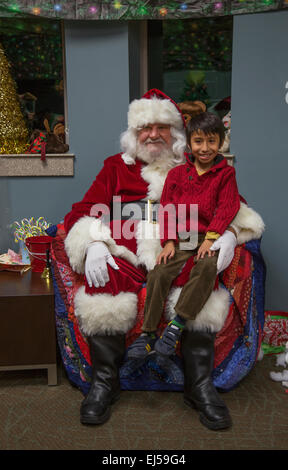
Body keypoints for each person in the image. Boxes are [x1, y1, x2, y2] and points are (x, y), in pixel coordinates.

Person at [63, 89, 264, 429]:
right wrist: (92, 242)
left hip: (180, 248)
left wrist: (229, 234)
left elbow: (235, 204)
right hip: (126, 251)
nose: (153, 134)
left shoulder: (195, 166)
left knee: (203, 279)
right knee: (105, 279)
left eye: (161, 127)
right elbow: (84, 210)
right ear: (133, 133)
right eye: (145, 127)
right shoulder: (115, 167)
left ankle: (198, 385)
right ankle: (104, 382)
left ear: (176, 133)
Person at [127, 112, 240, 360]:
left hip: (208, 236)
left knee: (207, 266)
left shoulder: (225, 174)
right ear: (189, 144)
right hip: (181, 237)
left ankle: (177, 324)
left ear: (221, 143)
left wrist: (211, 239)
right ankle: (147, 334)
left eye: (212, 141)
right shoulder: (177, 175)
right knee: (160, 271)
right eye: (199, 141)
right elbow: (166, 209)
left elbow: (228, 207)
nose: (205, 148)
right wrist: (168, 242)